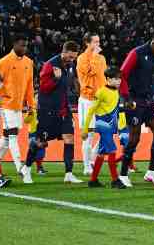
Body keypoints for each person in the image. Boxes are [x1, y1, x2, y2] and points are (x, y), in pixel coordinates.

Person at [119, 33, 154, 187]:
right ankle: (123, 174)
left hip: (151, 101)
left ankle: (151, 172)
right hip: (134, 100)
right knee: (134, 138)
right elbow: (122, 74)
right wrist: (126, 98)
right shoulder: (137, 53)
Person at [0, 35, 37, 184]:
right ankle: (20, 167)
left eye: (26, 46)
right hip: (6, 105)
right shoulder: (3, 62)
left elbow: (30, 86)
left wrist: (31, 105)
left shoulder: (28, 62)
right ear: (14, 45)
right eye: (22, 45)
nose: (24, 48)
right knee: (13, 135)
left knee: (7, 137)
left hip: (19, 106)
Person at [37, 40, 81, 182]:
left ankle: (69, 174)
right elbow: (43, 88)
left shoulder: (70, 65)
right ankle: (26, 166)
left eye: (74, 57)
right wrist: (56, 79)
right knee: (40, 142)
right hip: (49, 109)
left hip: (64, 109)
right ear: (64, 52)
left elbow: (69, 82)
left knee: (69, 138)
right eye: (70, 57)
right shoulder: (50, 65)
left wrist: (76, 88)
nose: (72, 60)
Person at [82, 67, 127, 189]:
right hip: (103, 125)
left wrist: (121, 126)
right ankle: (115, 180)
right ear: (108, 79)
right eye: (116, 79)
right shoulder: (101, 92)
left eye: (119, 78)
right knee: (112, 151)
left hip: (111, 126)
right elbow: (91, 111)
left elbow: (118, 110)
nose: (119, 81)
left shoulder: (116, 92)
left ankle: (93, 180)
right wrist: (85, 129)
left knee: (101, 153)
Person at [76, 33, 107, 178]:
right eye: (95, 42)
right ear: (87, 43)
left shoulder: (101, 58)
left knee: (106, 132)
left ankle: (92, 157)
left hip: (101, 100)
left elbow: (104, 78)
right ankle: (87, 166)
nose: (98, 44)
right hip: (87, 100)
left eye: (98, 42)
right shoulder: (82, 58)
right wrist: (94, 56)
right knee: (88, 135)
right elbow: (90, 72)